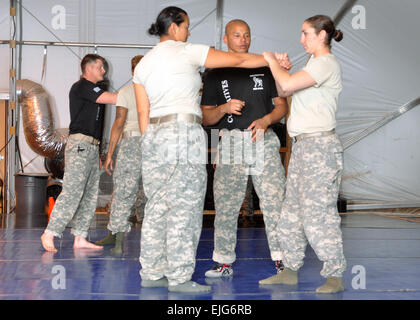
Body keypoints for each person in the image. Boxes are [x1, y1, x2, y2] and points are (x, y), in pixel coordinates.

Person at [133, 6, 280, 293]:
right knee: (185, 209)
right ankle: (179, 278)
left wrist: (152, 146)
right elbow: (238, 59)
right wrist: (271, 59)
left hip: (152, 136)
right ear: (174, 27)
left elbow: (142, 114)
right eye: (186, 26)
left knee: (157, 207)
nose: (188, 32)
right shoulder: (186, 50)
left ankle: (151, 271)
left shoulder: (143, 64)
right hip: (182, 133)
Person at [258, 15, 346, 293]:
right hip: (303, 147)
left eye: (306, 33)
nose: (301, 39)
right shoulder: (313, 64)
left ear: (322, 35)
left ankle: (334, 276)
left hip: (319, 149)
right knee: (292, 213)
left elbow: (285, 86)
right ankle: (290, 270)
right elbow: (288, 86)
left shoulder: (325, 62)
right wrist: (284, 69)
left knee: (318, 213)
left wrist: (272, 61)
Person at [200, 19, 288, 278]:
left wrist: (266, 120)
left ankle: (283, 260)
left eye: (247, 34)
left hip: (263, 139)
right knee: (226, 206)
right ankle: (223, 262)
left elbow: (281, 106)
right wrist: (224, 109)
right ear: (225, 39)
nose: (243, 39)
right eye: (236, 35)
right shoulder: (215, 73)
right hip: (230, 143)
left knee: (275, 202)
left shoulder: (265, 67)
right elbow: (207, 119)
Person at [41, 54, 118, 253]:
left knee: (90, 194)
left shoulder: (97, 90)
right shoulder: (82, 86)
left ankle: (80, 237)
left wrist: (100, 153)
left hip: (92, 147)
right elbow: (112, 99)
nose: (104, 71)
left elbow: (99, 124)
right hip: (80, 145)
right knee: (73, 191)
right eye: (100, 67)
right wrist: (137, 90)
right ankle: (50, 232)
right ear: (89, 68)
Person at [95, 55, 146, 254]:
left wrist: (110, 154)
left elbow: (118, 122)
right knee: (150, 191)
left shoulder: (127, 91)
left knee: (124, 190)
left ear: (133, 72)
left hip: (132, 142)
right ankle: (116, 235)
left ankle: (117, 238)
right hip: (151, 142)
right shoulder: (156, 92)